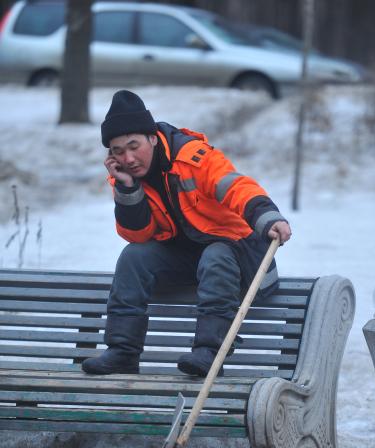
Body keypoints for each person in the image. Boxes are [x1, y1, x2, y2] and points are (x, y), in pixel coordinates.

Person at [82, 90, 292, 376]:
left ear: (153, 138)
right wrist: (128, 189)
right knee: (134, 256)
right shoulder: (127, 176)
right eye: (118, 151)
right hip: (190, 258)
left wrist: (267, 217)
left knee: (215, 255)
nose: (128, 158)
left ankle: (209, 352)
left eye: (134, 146)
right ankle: (122, 352)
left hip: (240, 254)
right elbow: (138, 235)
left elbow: (235, 186)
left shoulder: (192, 156)